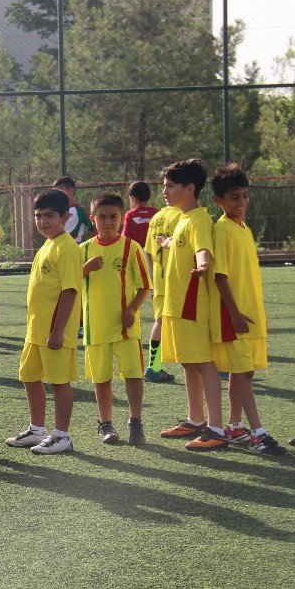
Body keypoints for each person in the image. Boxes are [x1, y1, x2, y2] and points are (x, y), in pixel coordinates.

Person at [209, 164, 286, 454]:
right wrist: (234, 313)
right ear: (218, 200)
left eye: (244, 196)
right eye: (234, 198)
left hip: (251, 315)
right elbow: (219, 276)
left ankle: (234, 425)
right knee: (241, 372)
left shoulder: (244, 227)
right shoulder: (222, 229)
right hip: (234, 317)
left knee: (246, 373)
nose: (241, 203)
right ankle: (258, 432)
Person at [158, 159, 228, 451]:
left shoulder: (200, 219)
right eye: (164, 186)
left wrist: (202, 265)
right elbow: (180, 242)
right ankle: (196, 420)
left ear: (190, 188)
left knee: (203, 363)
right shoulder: (182, 217)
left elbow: (201, 249)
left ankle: (216, 428)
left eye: (170, 186)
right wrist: (166, 243)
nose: (165, 192)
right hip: (175, 306)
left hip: (191, 306)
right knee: (188, 362)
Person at [5, 188, 82, 454]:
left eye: (49, 216)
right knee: (29, 377)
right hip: (35, 330)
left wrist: (58, 330)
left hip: (54, 331)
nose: (43, 222)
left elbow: (70, 291)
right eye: (38, 216)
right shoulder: (47, 246)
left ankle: (62, 435)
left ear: (65, 216)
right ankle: (37, 429)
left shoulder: (68, 247)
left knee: (59, 381)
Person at [81, 192, 151, 445]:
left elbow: (145, 286)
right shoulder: (84, 250)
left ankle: (136, 422)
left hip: (125, 329)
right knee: (101, 378)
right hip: (95, 328)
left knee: (133, 375)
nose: (108, 222)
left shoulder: (131, 248)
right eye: (102, 217)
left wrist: (131, 309)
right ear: (93, 219)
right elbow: (68, 284)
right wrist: (85, 268)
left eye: (113, 217)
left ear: (122, 219)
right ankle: (107, 424)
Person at [143, 203, 182, 383]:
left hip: (159, 280)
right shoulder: (186, 215)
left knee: (159, 322)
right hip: (181, 280)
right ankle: (212, 364)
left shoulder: (157, 217)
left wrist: (152, 280)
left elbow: (148, 252)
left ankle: (154, 367)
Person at [52, 176, 95, 244]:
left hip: (73, 250)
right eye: (54, 192)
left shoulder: (80, 210)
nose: (56, 194)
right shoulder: (55, 210)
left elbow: (95, 228)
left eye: (59, 191)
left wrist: (86, 246)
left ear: (71, 191)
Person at [121, 181, 158, 248]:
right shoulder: (157, 213)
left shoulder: (130, 215)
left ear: (134, 199)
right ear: (150, 196)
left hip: (137, 253)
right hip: (155, 252)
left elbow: (125, 238)